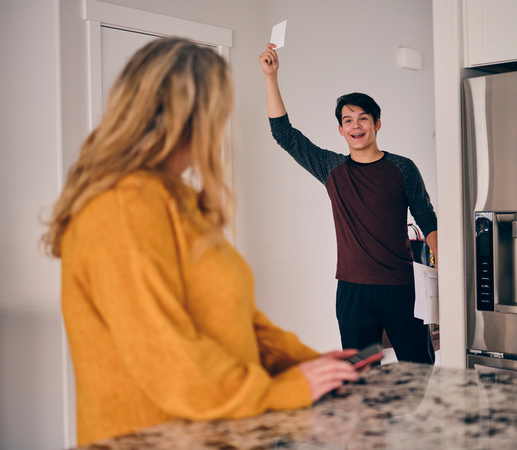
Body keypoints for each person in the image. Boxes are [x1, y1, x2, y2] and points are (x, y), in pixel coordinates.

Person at [41, 38, 359, 446]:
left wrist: (306, 364)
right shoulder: (120, 207)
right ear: (192, 117)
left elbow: (237, 319)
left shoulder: (176, 200)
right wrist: (286, 390)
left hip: (216, 431)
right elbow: (166, 360)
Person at [259, 44, 438, 365]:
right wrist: (271, 77)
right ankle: (373, 417)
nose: (356, 126)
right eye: (348, 120)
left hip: (401, 286)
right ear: (341, 130)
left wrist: (450, 275)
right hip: (353, 291)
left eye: (363, 119)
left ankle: (404, 416)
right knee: (359, 376)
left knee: (420, 366)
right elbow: (284, 134)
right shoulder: (333, 170)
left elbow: (428, 220)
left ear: (377, 124)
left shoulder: (403, 168)